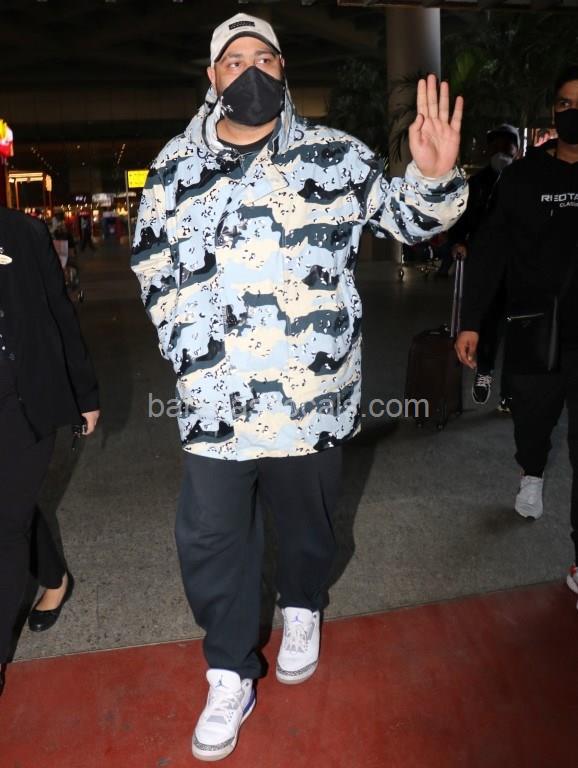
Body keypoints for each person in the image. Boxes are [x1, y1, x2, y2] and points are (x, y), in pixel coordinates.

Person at [131, 13, 467, 762]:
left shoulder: (334, 156)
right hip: (215, 405)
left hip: (310, 399)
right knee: (210, 539)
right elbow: (151, 261)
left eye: (265, 58)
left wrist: (434, 177)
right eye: (234, 60)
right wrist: (186, 348)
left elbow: (411, 221)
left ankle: (303, 604)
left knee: (308, 526)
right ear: (212, 78)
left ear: (283, 70)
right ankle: (228, 671)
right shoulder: (173, 168)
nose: (250, 70)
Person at [456, 65, 578, 607]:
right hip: (535, 330)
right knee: (533, 424)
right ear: (553, 112)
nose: (573, 112)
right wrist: (471, 321)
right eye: (565, 103)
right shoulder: (524, 178)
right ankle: (532, 470)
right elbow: (491, 253)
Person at [0, 206, 100, 695]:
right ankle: (55, 576)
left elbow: (59, 311)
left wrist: (85, 393)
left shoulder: (22, 232)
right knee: (9, 511)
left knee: (5, 527)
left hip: (21, 402)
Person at [448, 123, 519, 407]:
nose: (502, 151)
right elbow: (461, 219)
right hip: (486, 265)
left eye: (507, 145)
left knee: (517, 328)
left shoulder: (525, 181)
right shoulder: (476, 184)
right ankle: (485, 371)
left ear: (517, 149)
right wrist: (459, 241)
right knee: (488, 322)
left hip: (518, 266)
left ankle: (510, 391)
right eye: (496, 145)